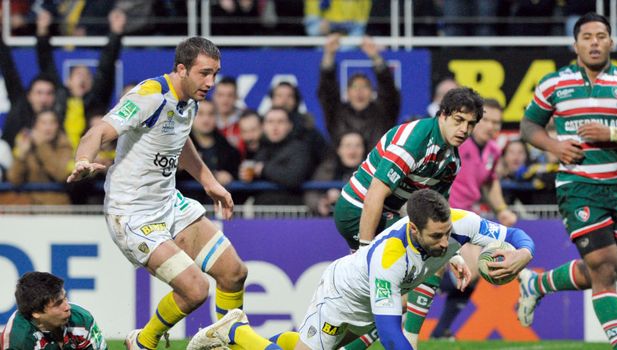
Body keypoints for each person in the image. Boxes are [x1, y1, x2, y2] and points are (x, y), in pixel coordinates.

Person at [66, 37, 279, 350]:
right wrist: (83, 159)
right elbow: (98, 132)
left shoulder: (189, 99)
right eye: (204, 73)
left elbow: (179, 141)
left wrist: (209, 181)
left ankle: (225, 342)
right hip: (132, 214)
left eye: (216, 74)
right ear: (182, 69)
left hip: (168, 203)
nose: (212, 82)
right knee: (195, 290)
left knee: (234, 272)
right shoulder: (149, 96)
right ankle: (143, 341)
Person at [187, 189, 534, 350]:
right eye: (437, 237)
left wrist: (523, 254)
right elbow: (391, 334)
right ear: (414, 230)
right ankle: (235, 331)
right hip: (342, 299)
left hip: (371, 309)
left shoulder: (460, 224)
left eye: (448, 235)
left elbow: (517, 235)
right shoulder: (389, 260)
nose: (445, 242)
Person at [517, 12, 617, 350]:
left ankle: (537, 285)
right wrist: (554, 146)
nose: (594, 43)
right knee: (603, 264)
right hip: (577, 186)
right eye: (587, 37)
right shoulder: (555, 83)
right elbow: (528, 126)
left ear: (611, 41)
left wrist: (612, 132)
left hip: (616, 189)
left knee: (610, 270)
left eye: (600, 36)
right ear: (575, 43)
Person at [333, 87, 483, 349]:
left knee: (390, 302)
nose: (464, 130)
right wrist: (366, 254)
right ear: (443, 115)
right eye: (459, 120)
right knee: (427, 263)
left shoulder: (451, 161)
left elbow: (433, 214)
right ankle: (411, 341)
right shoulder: (415, 138)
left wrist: (453, 254)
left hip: (386, 214)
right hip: (357, 210)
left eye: (471, 124)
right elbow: (375, 195)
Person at [430, 98, 516, 340]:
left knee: (473, 274)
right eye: (487, 120)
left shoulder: (492, 150)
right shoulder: (456, 143)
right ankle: (423, 287)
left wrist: (501, 209)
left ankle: (440, 330)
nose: (491, 126)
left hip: (468, 216)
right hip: (445, 213)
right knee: (474, 269)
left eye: (497, 123)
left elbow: (490, 181)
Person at [36, 9, 126, 152]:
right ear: (68, 81)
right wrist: (42, 31)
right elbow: (46, 64)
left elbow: (107, 66)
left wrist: (116, 32)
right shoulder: (59, 97)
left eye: (87, 76)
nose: (82, 79)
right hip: (61, 155)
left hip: (90, 156)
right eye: (78, 74)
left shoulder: (96, 99)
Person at [318, 33, 400, 150]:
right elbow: (327, 90)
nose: (359, 91)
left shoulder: (383, 113)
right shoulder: (336, 114)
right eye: (354, 87)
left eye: (364, 87)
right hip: (344, 168)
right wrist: (329, 54)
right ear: (347, 93)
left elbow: (389, 90)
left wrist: (375, 56)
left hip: (377, 167)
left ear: (372, 93)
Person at [0, 271, 107, 350]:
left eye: (65, 298)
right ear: (36, 313)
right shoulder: (19, 340)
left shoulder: (81, 319)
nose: (67, 307)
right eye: (58, 303)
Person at [7, 109, 72, 205]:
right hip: (31, 207)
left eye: (52, 123)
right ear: (35, 126)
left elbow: (61, 175)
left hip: (57, 207)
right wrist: (22, 155)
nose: (48, 127)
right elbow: (14, 180)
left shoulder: (64, 146)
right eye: (43, 123)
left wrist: (42, 145)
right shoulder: (27, 145)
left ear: (57, 126)